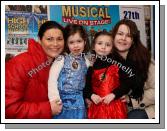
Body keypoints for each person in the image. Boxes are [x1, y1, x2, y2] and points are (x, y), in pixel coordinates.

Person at [5, 21, 64, 118]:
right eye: (49, 39)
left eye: (59, 39)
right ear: (39, 40)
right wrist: (48, 109)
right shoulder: (19, 63)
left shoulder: (61, 63)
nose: (55, 44)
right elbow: (9, 108)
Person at [83, 31, 138, 119]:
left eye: (108, 45)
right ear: (93, 46)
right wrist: (91, 95)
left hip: (116, 107)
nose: (103, 47)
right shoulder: (91, 68)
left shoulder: (118, 64)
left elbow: (127, 83)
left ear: (112, 48)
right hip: (97, 109)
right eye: (100, 43)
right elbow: (86, 88)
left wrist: (114, 94)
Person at [111, 19, 154, 119]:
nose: (123, 38)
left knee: (133, 117)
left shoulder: (144, 60)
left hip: (147, 107)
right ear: (113, 36)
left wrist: (131, 100)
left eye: (129, 36)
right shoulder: (108, 58)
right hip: (119, 107)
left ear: (133, 40)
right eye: (120, 34)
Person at [48, 24, 90, 119]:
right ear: (66, 44)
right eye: (71, 42)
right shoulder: (61, 59)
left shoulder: (86, 61)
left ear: (85, 41)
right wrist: (54, 99)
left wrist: (89, 97)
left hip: (80, 104)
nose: (76, 45)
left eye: (79, 41)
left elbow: (89, 83)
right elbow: (52, 79)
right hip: (62, 103)